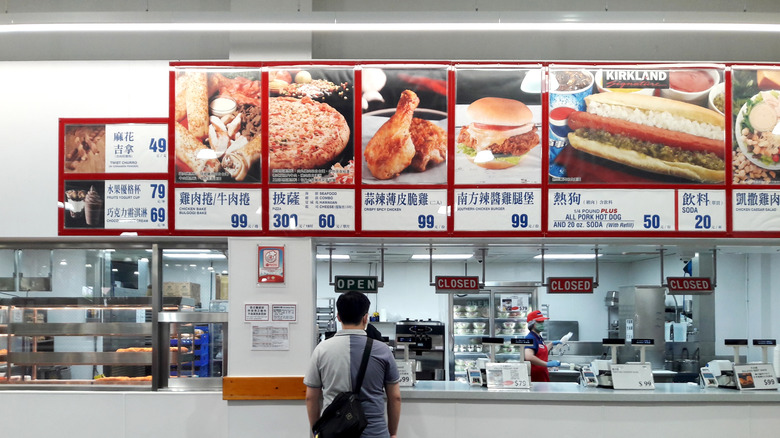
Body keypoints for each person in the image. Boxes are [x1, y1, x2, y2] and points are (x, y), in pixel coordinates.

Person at [305, 292, 401, 438]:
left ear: (338, 317)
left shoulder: (321, 350)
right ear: (365, 318)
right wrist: (392, 433)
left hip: (334, 432)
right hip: (374, 432)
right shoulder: (383, 350)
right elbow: (395, 397)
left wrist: (316, 431)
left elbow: (311, 397)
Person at [523, 310, 561, 382]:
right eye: (539, 322)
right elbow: (528, 356)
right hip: (535, 377)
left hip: (542, 375)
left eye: (542, 322)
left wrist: (551, 344)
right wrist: (546, 364)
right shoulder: (530, 338)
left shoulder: (538, 337)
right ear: (532, 324)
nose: (542, 324)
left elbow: (540, 350)